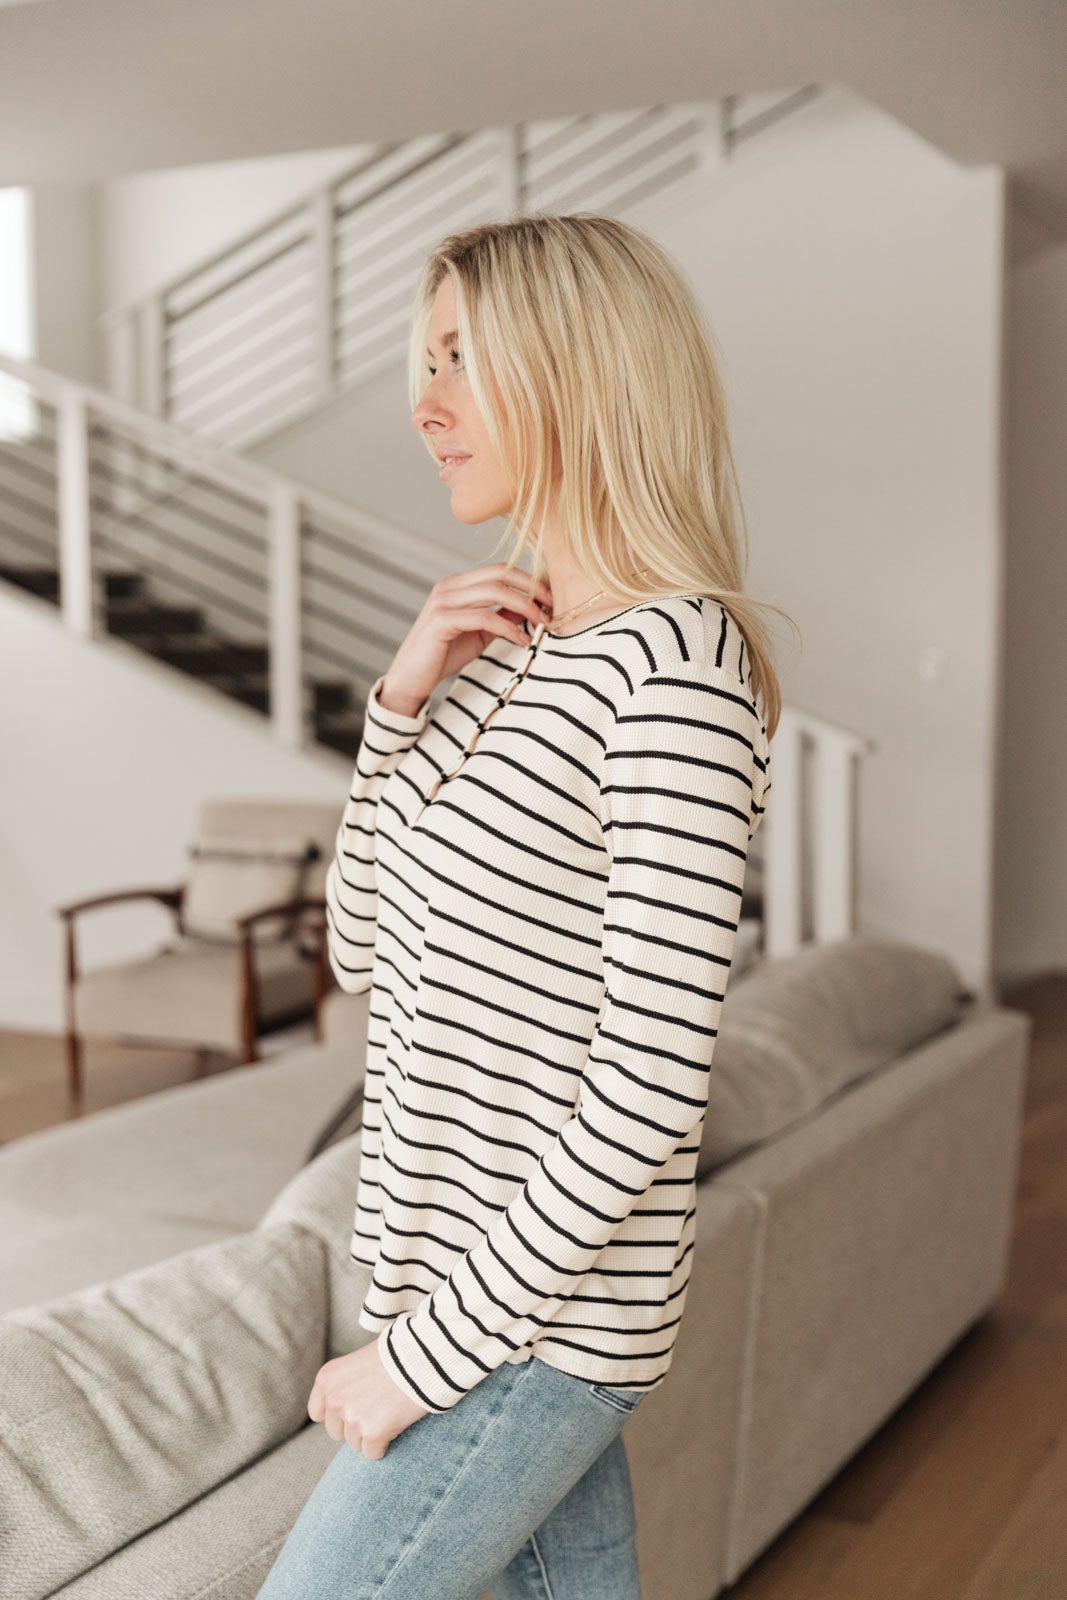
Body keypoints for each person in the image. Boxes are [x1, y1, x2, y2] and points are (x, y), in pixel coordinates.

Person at [257, 211, 790, 1600]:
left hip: (530, 1333)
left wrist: (422, 1362)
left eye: (461, 359)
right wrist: (398, 704)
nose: (423, 405)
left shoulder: (677, 672)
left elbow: (649, 1092)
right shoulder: (499, 651)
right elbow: (358, 951)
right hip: (443, 1289)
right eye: (424, 361)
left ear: (579, 372)